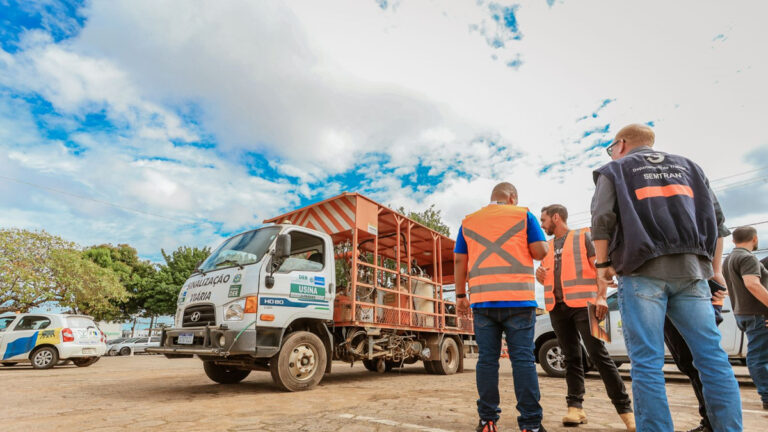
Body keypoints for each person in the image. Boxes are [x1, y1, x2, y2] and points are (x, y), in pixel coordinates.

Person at [590, 124, 742, 431]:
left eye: (612, 147)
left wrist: (603, 264)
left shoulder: (615, 170)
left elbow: (601, 219)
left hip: (641, 271)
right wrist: (714, 273)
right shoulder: (690, 168)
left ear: (621, 144)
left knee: (647, 363)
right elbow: (717, 222)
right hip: (692, 274)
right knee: (712, 359)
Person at [455, 182, 548, 432]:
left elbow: (459, 260)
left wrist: (460, 295)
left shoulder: (469, 221)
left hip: (483, 302)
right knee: (523, 361)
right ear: (512, 197)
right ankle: (530, 425)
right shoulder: (523, 215)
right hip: (518, 301)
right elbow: (540, 251)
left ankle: (487, 422)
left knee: (487, 361)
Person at [536, 204, 635, 430]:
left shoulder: (584, 236)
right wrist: (540, 275)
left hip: (590, 304)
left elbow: (602, 268)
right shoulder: (547, 247)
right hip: (556, 307)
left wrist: (602, 297)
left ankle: (626, 411)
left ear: (556, 217)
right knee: (570, 357)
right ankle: (575, 408)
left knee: (599, 356)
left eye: (544, 220)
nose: (542, 225)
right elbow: (548, 276)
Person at [723, 226, 768, 410]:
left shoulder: (729, 259)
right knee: (758, 357)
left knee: (759, 355)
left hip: (743, 313)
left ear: (733, 240)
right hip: (757, 314)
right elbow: (752, 284)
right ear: (755, 239)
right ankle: (766, 395)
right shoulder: (747, 257)